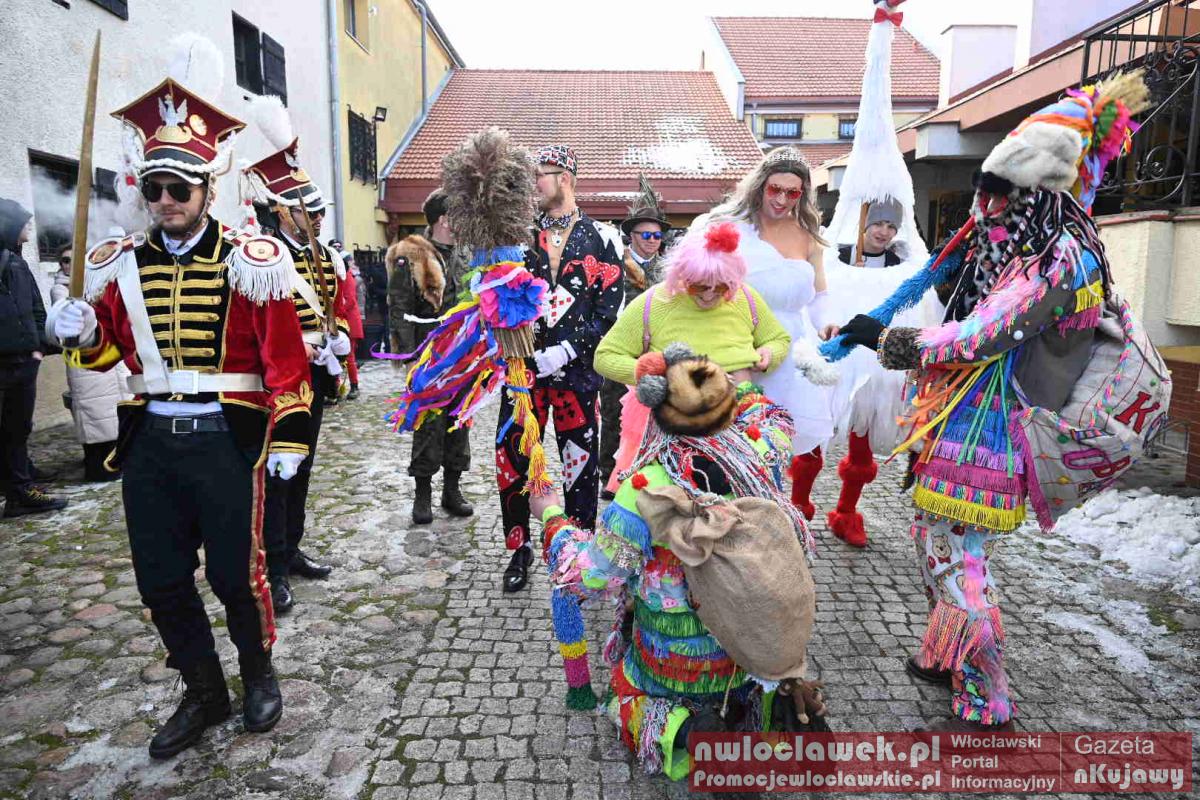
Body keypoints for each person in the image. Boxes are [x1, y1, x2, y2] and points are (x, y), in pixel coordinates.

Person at [829, 74, 1151, 728]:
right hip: (968, 419)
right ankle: (945, 655)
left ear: (1030, 196)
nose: (983, 209)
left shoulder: (1061, 259)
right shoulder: (1031, 243)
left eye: (996, 196)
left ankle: (986, 692)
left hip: (997, 429)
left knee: (960, 556)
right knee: (936, 542)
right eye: (983, 194)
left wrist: (885, 338)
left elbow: (983, 334)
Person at [45, 45, 312, 757]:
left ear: (206, 188)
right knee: (161, 581)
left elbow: (287, 363)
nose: (165, 199)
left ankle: (257, 672)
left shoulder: (251, 260)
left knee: (235, 575)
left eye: (179, 187)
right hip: (151, 444)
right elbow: (108, 356)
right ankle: (203, 688)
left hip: (226, 440)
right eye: (155, 186)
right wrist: (84, 332)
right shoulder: (121, 264)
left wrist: (289, 440)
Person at [532, 345, 827, 779]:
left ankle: (683, 729)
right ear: (727, 405)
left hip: (668, 665)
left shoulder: (643, 489)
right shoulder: (759, 454)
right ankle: (769, 705)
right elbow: (775, 418)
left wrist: (554, 520)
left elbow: (592, 577)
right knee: (746, 682)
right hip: (743, 649)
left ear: (654, 414)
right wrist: (742, 383)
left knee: (622, 695)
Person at [496, 145, 623, 593]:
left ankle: (579, 553)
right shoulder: (517, 237)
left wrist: (569, 349)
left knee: (580, 468)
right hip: (523, 373)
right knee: (515, 457)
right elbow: (496, 295)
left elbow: (609, 313)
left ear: (564, 177)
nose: (533, 185)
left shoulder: (603, 238)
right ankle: (519, 549)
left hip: (577, 376)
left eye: (540, 175)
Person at [594, 221, 792, 492]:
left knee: (740, 500)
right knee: (671, 501)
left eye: (720, 288)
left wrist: (769, 353)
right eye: (699, 287)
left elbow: (778, 338)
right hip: (676, 426)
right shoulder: (654, 302)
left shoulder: (745, 298)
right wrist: (652, 373)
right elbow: (605, 356)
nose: (709, 295)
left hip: (741, 418)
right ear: (682, 275)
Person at [244, 119, 351, 613]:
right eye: (311, 211)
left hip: (316, 376)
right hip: (279, 382)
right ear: (285, 212)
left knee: (302, 469)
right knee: (278, 475)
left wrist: (338, 339)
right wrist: (303, 348)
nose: (319, 218)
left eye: (321, 210)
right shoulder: (264, 258)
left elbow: (336, 309)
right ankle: (273, 565)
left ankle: (291, 547)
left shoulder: (325, 258)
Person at [705, 147, 837, 520]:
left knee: (774, 445)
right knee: (728, 441)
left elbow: (819, 296)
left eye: (792, 192)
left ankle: (765, 525)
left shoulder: (809, 237)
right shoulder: (729, 227)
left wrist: (828, 323)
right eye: (774, 189)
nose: (781, 199)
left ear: (803, 194)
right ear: (760, 186)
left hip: (789, 356)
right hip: (735, 348)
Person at [386, 188, 474, 525]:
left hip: (463, 356)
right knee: (428, 424)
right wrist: (409, 357)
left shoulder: (467, 254)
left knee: (460, 422)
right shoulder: (411, 256)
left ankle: (452, 490)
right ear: (445, 219)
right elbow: (399, 309)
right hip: (428, 356)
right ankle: (422, 494)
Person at [598, 176, 670, 499]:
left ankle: (649, 472)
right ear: (632, 236)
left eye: (657, 235)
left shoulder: (668, 270)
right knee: (614, 415)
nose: (653, 241)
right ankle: (609, 476)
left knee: (654, 417)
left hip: (657, 355)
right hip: (623, 353)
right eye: (646, 235)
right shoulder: (615, 267)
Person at [0, 199, 66, 516]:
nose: (29, 226)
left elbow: (37, 309)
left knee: (17, 428)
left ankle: (20, 488)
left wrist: (39, 348)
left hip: (24, 361)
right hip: (3, 363)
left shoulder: (18, 262)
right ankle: (17, 487)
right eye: (23, 221)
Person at [50, 244, 130, 482]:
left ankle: (117, 462)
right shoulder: (61, 289)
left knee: (115, 413)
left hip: (110, 357)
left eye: (74, 259)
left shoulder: (98, 282)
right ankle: (97, 468)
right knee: (93, 415)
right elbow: (71, 321)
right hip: (86, 360)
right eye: (65, 260)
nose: (70, 264)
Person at [330, 240, 364, 400]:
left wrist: (335, 312)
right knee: (335, 355)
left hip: (348, 322)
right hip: (337, 320)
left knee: (349, 356)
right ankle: (335, 388)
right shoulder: (335, 277)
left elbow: (349, 300)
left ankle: (354, 386)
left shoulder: (348, 277)